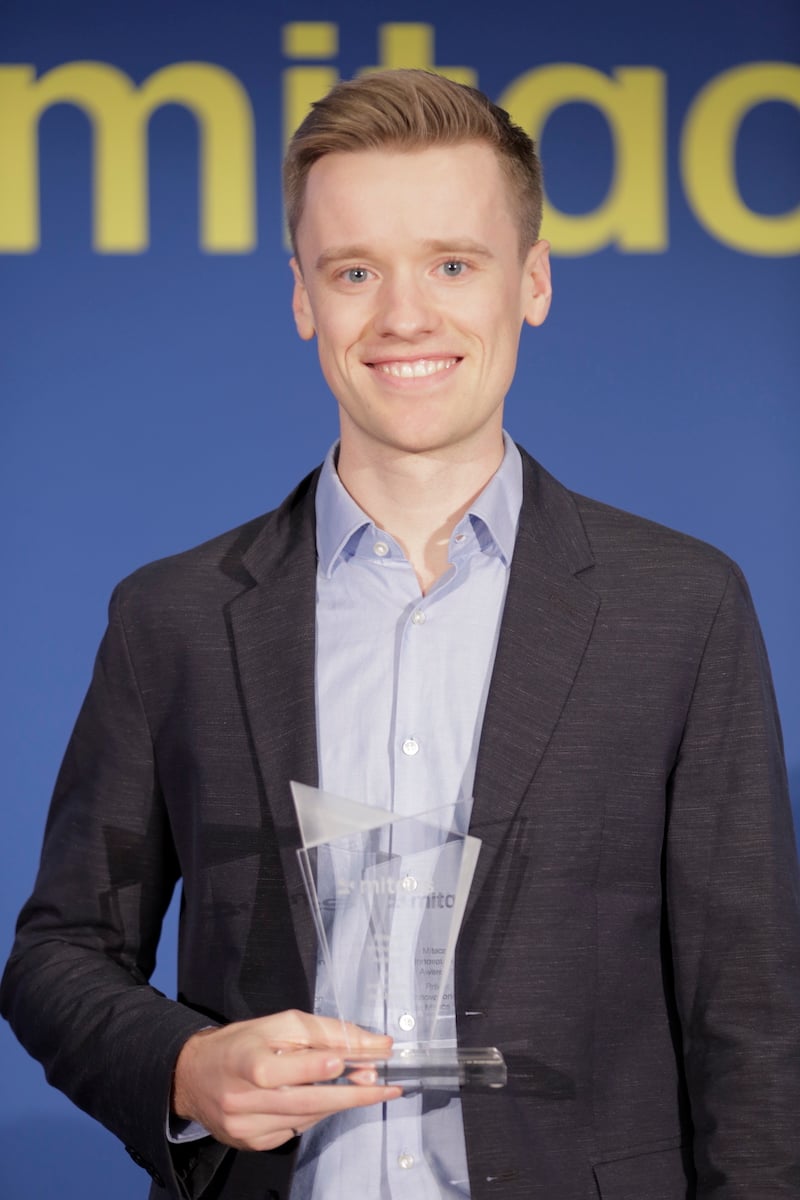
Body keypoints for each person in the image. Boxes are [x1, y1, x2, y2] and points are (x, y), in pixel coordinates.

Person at [2, 68, 800, 1200]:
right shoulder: (170, 617)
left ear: (531, 282)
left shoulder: (682, 607)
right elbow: (57, 955)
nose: (403, 316)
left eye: (452, 264)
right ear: (301, 298)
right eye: (355, 271)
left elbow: (752, 1021)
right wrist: (183, 1067)